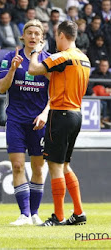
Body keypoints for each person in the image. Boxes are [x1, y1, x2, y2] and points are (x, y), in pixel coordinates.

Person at [28, 20, 90, 226]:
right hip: (76, 114)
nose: (56, 40)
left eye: (56, 36)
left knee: (54, 166)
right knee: (65, 165)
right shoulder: (83, 58)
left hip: (60, 113)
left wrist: (37, 51)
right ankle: (79, 212)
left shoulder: (62, 56)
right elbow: (57, 75)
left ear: (62, 35)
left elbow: (33, 69)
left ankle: (58, 217)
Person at [0, 19, 50, 226]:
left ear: (42, 38)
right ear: (23, 36)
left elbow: (54, 95)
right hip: (16, 120)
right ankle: (24, 214)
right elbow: (2, 88)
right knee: (18, 166)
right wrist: (12, 70)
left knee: (38, 168)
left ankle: (35, 213)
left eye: (37, 34)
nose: (33, 37)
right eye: (29, 33)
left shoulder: (48, 61)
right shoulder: (10, 58)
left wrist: (45, 113)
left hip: (39, 122)